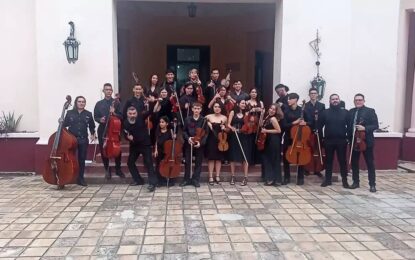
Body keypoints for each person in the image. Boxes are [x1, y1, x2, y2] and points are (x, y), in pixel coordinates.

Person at [347, 93, 379, 192]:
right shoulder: (351, 112)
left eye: (360, 100)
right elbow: (349, 126)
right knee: (354, 163)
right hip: (354, 141)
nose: (358, 101)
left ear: (364, 101)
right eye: (356, 100)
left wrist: (364, 128)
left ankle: (372, 184)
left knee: (370, 163)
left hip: (366, 142)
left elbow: (375, 125)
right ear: (354, 101)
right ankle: (356, 182)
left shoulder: (370, 111)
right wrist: (349, 138)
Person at [93, 83, 125, 180]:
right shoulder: (99, 104)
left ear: (112, 91)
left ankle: (118, 169)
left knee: (117, 150)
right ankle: (107, 169)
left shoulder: (117, 103)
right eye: (106, 89)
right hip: (103, 129)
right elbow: (95, 116)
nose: (108, 91)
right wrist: (99, 119)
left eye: (110, 90)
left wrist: (114, 112)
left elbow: (121, 116)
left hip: (114, 130)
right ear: (103, 91)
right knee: (104, 150)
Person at [63, 96, 96, 187]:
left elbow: (92, 126)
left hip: (83, 139)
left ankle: (80, 179)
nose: (81, 103)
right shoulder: (69, 113)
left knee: (81, 160)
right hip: (71, 139)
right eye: (79, 101)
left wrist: (92, 134)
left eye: (83, 102)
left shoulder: (88, 114)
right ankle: (69, 177)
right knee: (70, 159)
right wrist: (61, 122)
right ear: (76, 103)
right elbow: (64, 125)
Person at [318, 94, 350, 188]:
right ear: (330, 101)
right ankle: (328, 180)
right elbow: (319, 127)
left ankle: (345, 181)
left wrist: (348, 138)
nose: (335, 101)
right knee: (328, 161)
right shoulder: (325, 113)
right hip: (328, 141)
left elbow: (349, 127)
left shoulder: (345, 112)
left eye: (336, 99)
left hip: (341, 141)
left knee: (342, 161)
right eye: (333, 99)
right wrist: (321, 139)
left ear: (339, 100)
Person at [123, 106, 158, 192]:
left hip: (145, 144)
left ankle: (152, 183)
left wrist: (155, 102)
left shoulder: (141, 117)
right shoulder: (125, 122)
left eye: (134, 113)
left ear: (137, 113)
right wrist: (128, 138)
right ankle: (138, 180)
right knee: (130, 163)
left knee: (149, 163)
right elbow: (125, 134)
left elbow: (151, 110)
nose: (132, 115)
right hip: (134, 146)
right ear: (127, 114)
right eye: (130, 114)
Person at [281, 93, 311, 185]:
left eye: (290, 99)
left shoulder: (302, 111)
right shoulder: (286, 111)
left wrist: (305, 123)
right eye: (288, 99)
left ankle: (300, 177)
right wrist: (295, 122)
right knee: (287, 157)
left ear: (296, 100)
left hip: (300, 138)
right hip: (289, 137)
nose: (288, 100)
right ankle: (287, 177)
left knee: (300, 155)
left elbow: (311, 122)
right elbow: (284, 125)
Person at [181, 102, 208, 187]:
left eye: (198, 109)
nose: (196, 110)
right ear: (192, 109)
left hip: (199, 144)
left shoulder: (204, 120)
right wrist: (188, 138)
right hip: (189, 143)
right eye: (195, 108)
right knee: (188, 162)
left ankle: (195, 180)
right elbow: (184, 131)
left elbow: (206, 133)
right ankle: (186, 179)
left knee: (198, 162)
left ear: (201, 110)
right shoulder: (187, 119)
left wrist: (201, 142)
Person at [227, 99, 252, 186]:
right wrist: (232, 128)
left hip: (244, 136)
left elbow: (249, 125)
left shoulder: (247, 114)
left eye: (245, 103)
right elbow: (228, 124)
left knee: (245, 157)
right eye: (242, 103)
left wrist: (247, 117)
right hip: (234, 136)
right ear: (238, 104)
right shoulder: (233, 112)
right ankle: (233, 176)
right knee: (233, 156)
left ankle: (245, 177)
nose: (243, 104)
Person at [304, 87, 326, 177]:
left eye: (314, 93)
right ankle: (307, 169)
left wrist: (318, 128)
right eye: (311, 93)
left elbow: (323, 119)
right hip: (309, 130)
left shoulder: (322, 105)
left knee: (318, 150)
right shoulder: (305, 105)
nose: (313, 95)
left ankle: (317, 169)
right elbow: (305, 119)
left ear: (317, 95)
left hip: (318, 131)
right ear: (309, 95)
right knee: (308, 150)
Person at [205, 101, 228, 185]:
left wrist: (224, 128)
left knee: (219, 159)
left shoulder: (224, 117)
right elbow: (202, 126)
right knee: (211, 158)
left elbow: (228, 130)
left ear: (221, 108)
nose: (217, 108)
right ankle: (210, 176)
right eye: (215, 106)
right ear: (213, 108)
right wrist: (207, 123)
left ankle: (217, 176)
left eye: (218, 107)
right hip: (211, 140)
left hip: (221, 140)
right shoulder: (208, 117)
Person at [261, 103, 283, 186]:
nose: (271, 110)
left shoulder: (273, 119)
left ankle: (275, 180)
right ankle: (271, 179)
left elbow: (278, 130)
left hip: (273, 141)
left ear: (276, 111)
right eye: (270, 108)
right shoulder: (268, 117)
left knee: (273, 160)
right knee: (269, 160)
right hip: (269, 140)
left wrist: (266, 131)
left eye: (274, 109)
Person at [153, 116, 178, 187]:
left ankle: (169, 180)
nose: (161, 124)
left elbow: (173, 142)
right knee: (158, 166)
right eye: (160, 122)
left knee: (167, 166)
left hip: (168, 152)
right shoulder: (157, 131)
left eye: (163, 122)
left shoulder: (170, 131)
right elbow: (156, 141)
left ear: (167, 123)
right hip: (159, 151)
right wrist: (155, 150)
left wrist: (174, 137)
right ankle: (160, 181)